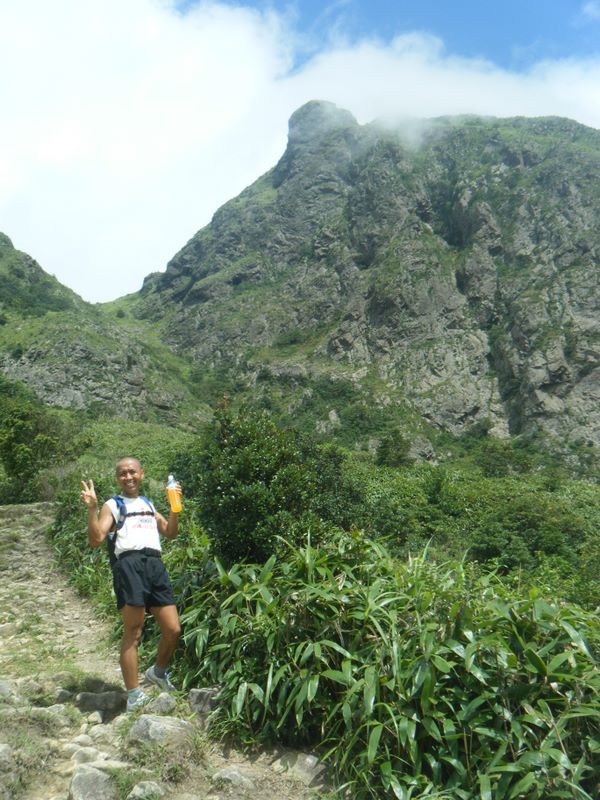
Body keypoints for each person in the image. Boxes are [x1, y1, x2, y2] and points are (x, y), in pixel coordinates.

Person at [80, 456, 182, 712]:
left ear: (142, 474)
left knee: (173, 629)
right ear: (118, 478)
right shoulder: (112, 505)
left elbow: (170, 532)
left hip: (155, 565)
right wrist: (92, 509)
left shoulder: (147, 504)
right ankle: (134, 695)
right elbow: (96, 539)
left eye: (132, 472)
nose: (128, 477)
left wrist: (175, 507)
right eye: (123, 473)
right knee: (133, 632)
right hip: (129, 566)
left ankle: (158, 672)